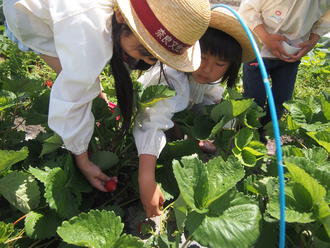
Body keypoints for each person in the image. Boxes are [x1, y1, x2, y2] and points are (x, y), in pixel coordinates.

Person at [3, 0, 211, 191]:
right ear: (121, 17)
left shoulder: (102, 21)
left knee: (78, 73)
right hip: (28, 10)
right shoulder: (88, 32)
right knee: (76, 80)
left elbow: (82, 69)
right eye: (145, 52)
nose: (147, 62)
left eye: (154, 57)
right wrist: (83, 159)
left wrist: (95, 93)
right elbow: (73, 95)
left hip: (50, 12)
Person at [133, 7, 257, 218]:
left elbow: (211, 100)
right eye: (203, 57)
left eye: (219, 64)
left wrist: (213, 133)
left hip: (181, 112)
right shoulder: (171, 78)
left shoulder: (208, 80)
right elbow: (151, 123)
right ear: (188, 49)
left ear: (231, 67)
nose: (207, 69)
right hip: (150, 110)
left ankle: (180, 131)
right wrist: (146, 179)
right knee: (164, 129)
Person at [238, 0, 330, 137]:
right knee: (253, 99)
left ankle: (268, 135)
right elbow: (247, 9)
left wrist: (313, 40)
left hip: (291, 55)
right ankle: (243, 134)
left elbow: (326, 18)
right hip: (259, 50)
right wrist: (266, 38)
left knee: (281, 99)